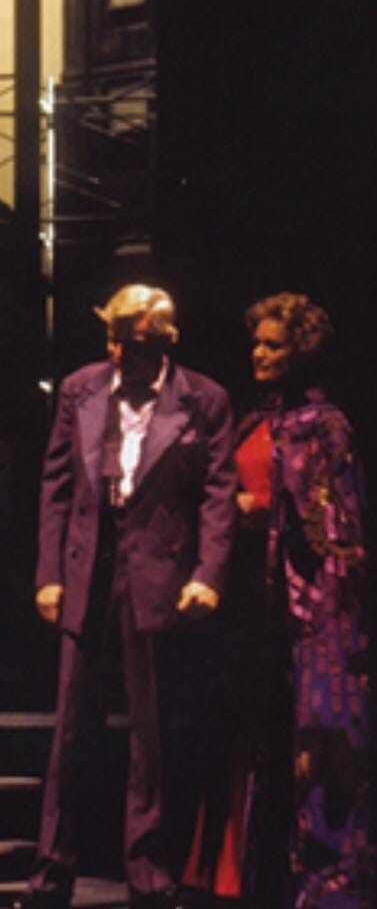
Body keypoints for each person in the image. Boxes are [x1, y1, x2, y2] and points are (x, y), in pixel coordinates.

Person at [19, 284, 237, 909]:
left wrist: (208, 575)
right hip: (89, 567)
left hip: (159, 573)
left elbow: (218, 495)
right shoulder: (80, 389)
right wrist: (49, 573)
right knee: (70, 730)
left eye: (132, 343)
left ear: (166, 342)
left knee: (152, 732)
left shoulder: (204, 400)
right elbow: (56, 485)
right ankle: (50, 873)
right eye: (113, 339)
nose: (118, 353)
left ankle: (148, 876)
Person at [187, 292, 373, 909]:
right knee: (249, 739)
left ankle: (325, 887)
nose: (259, 354)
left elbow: (336, 527)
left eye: (274, 345)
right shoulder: (254, 420)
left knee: (315, 746)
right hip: (249, 603)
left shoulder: (325, 424)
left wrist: (259, 510)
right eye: (257, 343)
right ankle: (240, 880)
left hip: (308, 609)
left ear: (301, 352)